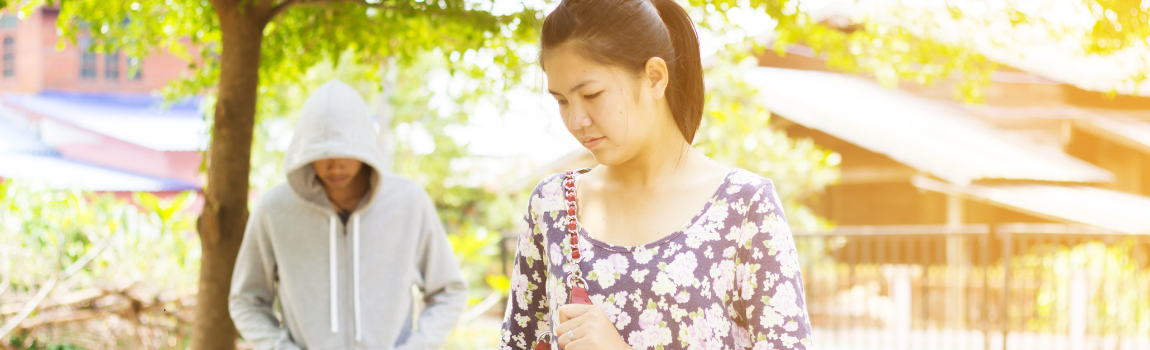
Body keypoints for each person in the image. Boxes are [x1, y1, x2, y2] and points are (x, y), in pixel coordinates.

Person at [498, 0, 812, 349]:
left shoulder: (744, 206)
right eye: (562, 101)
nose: (576, 121)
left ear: (654, 77)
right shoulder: (552, 205)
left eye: (591, 94)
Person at [230, 80, 468, 350]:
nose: (335, 165)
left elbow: (448, 292)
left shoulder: (408, 203)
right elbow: (246, 300)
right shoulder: (274, 209)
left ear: (364, 145)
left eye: (346, 151)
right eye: (322, 153)